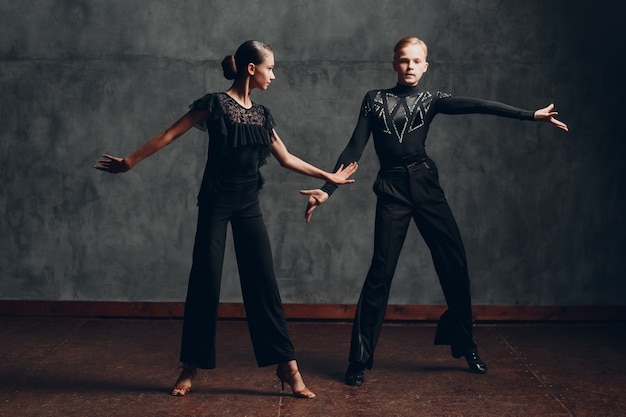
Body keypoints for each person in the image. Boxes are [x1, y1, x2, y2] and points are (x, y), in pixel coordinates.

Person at [94, 40, 358, 398]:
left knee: (263, 282)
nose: (274, 75)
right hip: (217, 202)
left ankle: (287, 367)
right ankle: (191, 365)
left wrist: (331, 178)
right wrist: (130, 161)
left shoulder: (263, 115)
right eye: (270, 68)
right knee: (205, 279)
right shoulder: (214, 104)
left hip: (248, 203)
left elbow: (286, 158)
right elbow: (170, 133)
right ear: (252, 69)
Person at [300, 36, 568, 386]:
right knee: (380, 274)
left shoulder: (431, 100)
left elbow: (480, 105)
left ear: (426, 66)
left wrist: (530, 115)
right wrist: (327, 188)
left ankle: (465, 342)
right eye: (403, 60)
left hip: (426, 185)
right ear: (394, 63)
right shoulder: (374, 100)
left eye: (416, 61)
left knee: (454, 264)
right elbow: (354, 147)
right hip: (393, 189)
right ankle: (359, 360)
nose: (410, 66)